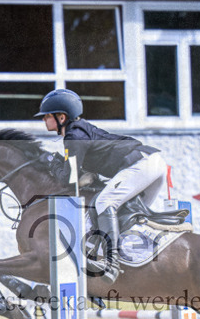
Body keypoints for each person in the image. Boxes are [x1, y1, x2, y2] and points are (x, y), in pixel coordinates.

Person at [35, 88, 168, 283]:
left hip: (141, 165)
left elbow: (69, 179)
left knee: (105, 202)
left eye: (47, 116)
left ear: (61, 117)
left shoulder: (74, 137)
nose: (43, 120)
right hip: (152, 163)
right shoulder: (80, 130)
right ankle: (133, 261)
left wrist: (50, 162)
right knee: (127, 216)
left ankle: (111, 264)